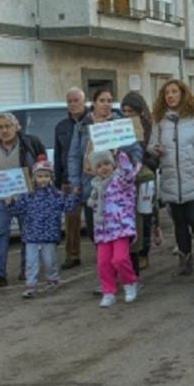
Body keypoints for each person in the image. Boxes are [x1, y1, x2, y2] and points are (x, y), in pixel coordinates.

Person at [67, 88, 143, 261]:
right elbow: (73, 156)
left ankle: (126, 275)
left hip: (118, 189)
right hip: (91, 187)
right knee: (97, 235)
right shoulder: (82, 127)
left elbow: (135, 150)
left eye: (109, 100)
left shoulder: (120, 123)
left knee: (121, 234)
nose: (106, 104)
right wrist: (75, 181)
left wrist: (131, 171)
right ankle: (108, 274)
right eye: (102, 100)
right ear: (93, 103)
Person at [149, 79, 194, 278]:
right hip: (171, 178)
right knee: (179, 221)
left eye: (174, 92)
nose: (171, 96)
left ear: (183, 94)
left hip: (193, 177)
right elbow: (151, 145)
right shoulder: (160, 120)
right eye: (167, 93)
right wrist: (155, 149)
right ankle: (184, 259)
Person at [0, 112, 46, 287]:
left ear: (16, 127)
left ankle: (27, 270)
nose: (4, 130)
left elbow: (43, 164)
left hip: (25, 196)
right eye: (0, 127)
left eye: (8, 126)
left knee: (28, 234)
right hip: (0, 197)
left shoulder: (30, 143)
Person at [11, 157, 79, 298]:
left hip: (49, 235)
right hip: (31, 235)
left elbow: (68, 207)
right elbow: (18, 210)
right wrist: (10, 202)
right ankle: (31, 285)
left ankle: (52, 279)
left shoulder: (56, 195)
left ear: (51, 178)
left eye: (46, 176)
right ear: (34, 178)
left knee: (50, 261)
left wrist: (73, 195)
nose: (43, 179)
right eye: (40, 176)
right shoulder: (27, 195)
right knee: (31, 262)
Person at [87, 150, 139, 307]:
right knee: (103, 263)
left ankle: (130, 283)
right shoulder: (96, 186)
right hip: (103, 231)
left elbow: (128, 174)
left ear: (113, 164)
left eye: (107, 164)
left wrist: (121, 154)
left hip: (121, 227)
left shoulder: (119, 180)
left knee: (120, 259)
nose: (103, 168)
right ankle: (108, 291)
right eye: (99, 166)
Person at [120, 91, 158, 274]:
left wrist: (144, 160)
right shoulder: (119, 127)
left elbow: (154, 154)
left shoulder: (149, 127)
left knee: (145, 216)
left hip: (145, 177)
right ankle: (132, 253)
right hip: (126, 179)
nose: (127, 115)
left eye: (131, 111)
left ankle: (144, 252)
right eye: (125, 111)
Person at [55, 87, 87, 270]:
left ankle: (104, 253)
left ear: (84, 102)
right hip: (68, 180)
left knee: (94, 219)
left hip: (90, 177)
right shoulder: (61, 126)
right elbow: (58, 156)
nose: (73, 104)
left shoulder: (92, 122)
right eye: (70, 101)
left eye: (76, 100)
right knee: (71, 221)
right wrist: (59, 182)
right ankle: (72, 255)